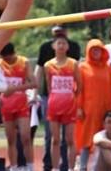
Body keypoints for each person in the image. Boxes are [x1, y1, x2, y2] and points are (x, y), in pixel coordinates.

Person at [34, 25, 81, 171]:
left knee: (69, 139)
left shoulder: (74, 61)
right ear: (53, 45)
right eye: (58, 42)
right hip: (53, 104)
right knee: (53, 138)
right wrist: (36, 93)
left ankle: (70, 167)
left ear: (67, 46)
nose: (61, 45)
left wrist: (76, 102)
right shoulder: (48, 63)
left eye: (63, 43)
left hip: (70, 105)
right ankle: (53, 167)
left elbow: (79, 85)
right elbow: (48, 85)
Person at [75, 39, 111, 171]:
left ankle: (105, 166)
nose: (96, 52)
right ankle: (83, 167)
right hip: (88, 111)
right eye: (93, 50)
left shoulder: (107, 68)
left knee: (105, 138)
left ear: (103, 51)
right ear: (88, 51)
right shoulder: (82, 67)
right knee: (86, 140)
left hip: (105, 110)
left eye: (98, 49)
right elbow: (78, 89)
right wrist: (78, 107)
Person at [0, 43, 36, 171]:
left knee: (25, 137)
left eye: (9, 58)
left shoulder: (24, 62)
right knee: (10, 139)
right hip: (6, 106)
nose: (7, 61)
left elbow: (34, 83)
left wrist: (14, 89)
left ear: (14, 53)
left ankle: (30, 166)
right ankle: (14, 167)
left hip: (21, 104)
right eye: (5, 59)